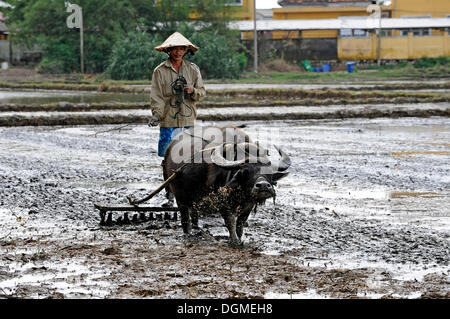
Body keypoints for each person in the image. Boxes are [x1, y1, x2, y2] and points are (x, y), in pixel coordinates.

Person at [148, 32, 206, 207]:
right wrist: (157, 115)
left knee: (189, 159)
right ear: (169, 50)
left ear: (186, 50)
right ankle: (170, 195)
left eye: (182, 48)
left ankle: (187, 194)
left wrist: (192, 91)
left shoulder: (193, 69)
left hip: (188, 121)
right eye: (175, 48)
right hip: (168, 122)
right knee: (168, 160)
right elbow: (156, 96)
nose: (179, 51)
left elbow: (202, 92)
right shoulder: (159, 71)